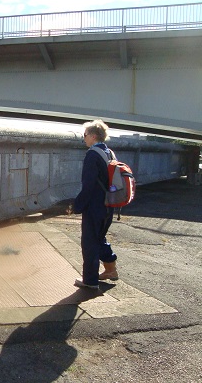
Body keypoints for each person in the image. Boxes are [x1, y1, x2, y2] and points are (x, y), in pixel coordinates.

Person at [72, 120, 118, 289]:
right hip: (109, 204)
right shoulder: (110, 153)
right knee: (99, 237)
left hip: (95, 206)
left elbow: (88, 184)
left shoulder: (92, 155)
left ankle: (90, 281)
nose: (84, 139)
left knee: (90, 242)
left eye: (85, 136)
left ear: (92, 136)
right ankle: (111, 269)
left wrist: (78, 205)